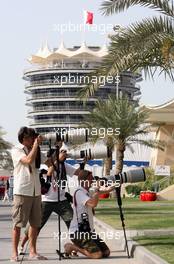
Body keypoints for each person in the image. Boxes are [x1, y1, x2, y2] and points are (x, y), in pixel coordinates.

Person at [20, 148, 83, 256]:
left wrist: (83, 163)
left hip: (62, 201)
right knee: (35, 225)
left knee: (73, 223)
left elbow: (79, 173)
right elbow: (49, 172)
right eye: (58, 154)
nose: (63, 155)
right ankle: (21, 245)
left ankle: (77, 247)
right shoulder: (45, 166)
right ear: (52, 156)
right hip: (46, 201)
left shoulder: (64, 166)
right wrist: (57, 161)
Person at [11, 126, 47, 262]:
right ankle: (14, 253)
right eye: (31, 137)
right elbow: (28, 160)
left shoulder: (35, 150)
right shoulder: (16, 150)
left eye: (34, 137)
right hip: (22, 191)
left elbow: (49, 162)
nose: (33, 139)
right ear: (24, 139)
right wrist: (36, 146)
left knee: (35, 224)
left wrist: (58, 150)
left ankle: (33, 252)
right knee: (18, 223)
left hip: (36, 191)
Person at [64, 170, 115, 259]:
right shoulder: (79, 192)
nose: (93, 181)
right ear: (85, 180)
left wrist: (108, 189)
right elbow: (92, 203)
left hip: (89, 232)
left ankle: (78, 246)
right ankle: (71, 246)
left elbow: (97, 192)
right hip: (78, 232)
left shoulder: (86, 191)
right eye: (91, 179)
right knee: (97, 255)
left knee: (106, 252)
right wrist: (98, 192)